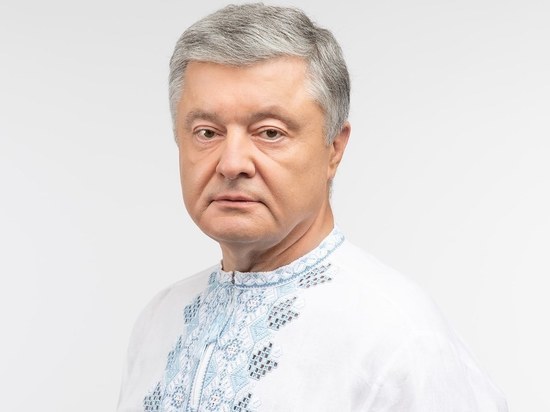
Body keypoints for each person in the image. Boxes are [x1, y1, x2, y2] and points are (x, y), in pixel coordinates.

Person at [117, 4, 508, 411]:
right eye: (207, 132)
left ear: (334, 148)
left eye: (270, 132)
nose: (231, 163)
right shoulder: (159, 322)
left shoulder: (397, 337)